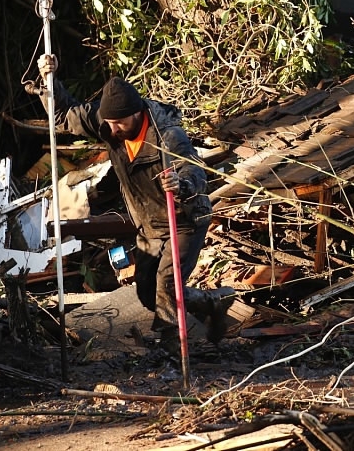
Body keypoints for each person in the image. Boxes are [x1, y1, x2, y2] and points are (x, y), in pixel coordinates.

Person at [35, 54, 233, 348]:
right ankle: (211, 303)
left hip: (184, 219)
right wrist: (49, 81)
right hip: (149, 226)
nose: (113, 130)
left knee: (167, 285)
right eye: (110, 123)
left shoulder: (167, 135)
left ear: (137, 113)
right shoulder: (109, 123)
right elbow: (65, 115)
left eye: (120, 123)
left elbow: (193, 170)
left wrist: (181, 184)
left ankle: (170, 353)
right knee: (146, 293)